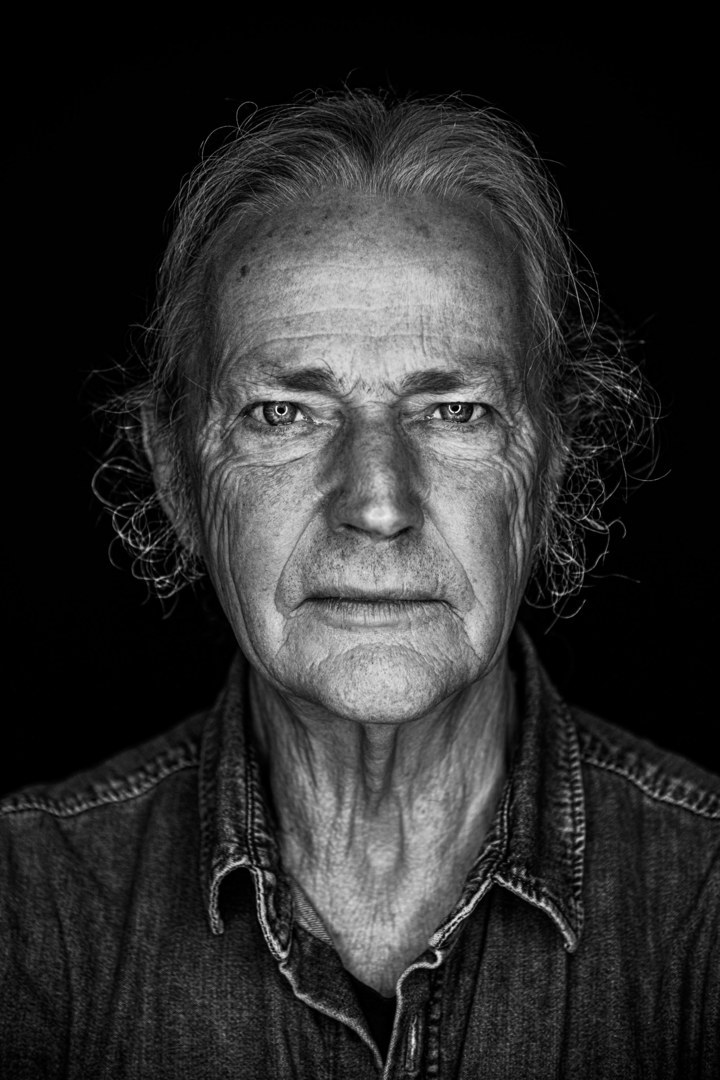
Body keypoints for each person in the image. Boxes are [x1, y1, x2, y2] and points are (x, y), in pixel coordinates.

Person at [1, 90, 717, 1079]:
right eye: (284, 413)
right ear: (176, 477)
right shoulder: (28, 910)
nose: (378, 503)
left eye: (456, 411)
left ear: (552, 467)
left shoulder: (705, 902)